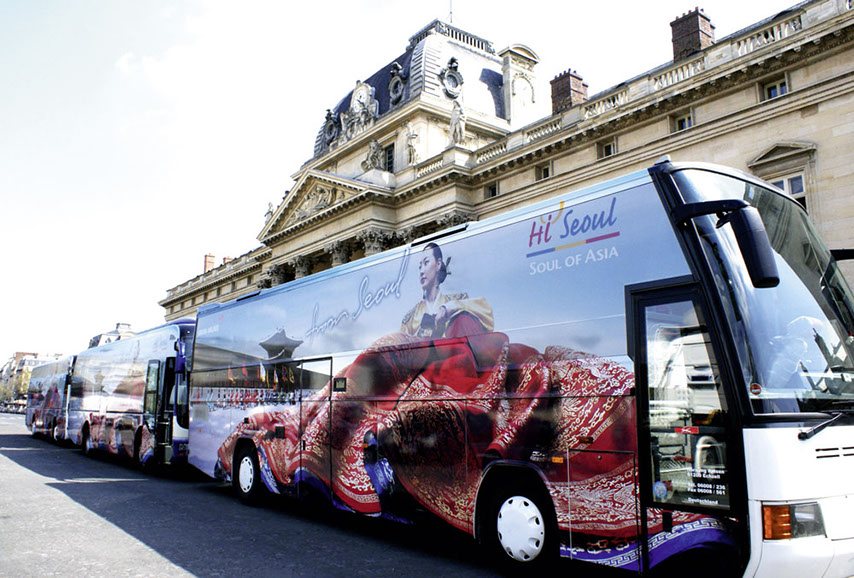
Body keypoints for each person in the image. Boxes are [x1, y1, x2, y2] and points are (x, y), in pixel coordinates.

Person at [400, 242, 493, 338]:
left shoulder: (457, 301)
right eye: (420, 267)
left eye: (426, 263)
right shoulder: (411, 317)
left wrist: (447, 308)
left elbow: (485, 310)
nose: (421, 271)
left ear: (438, 264)